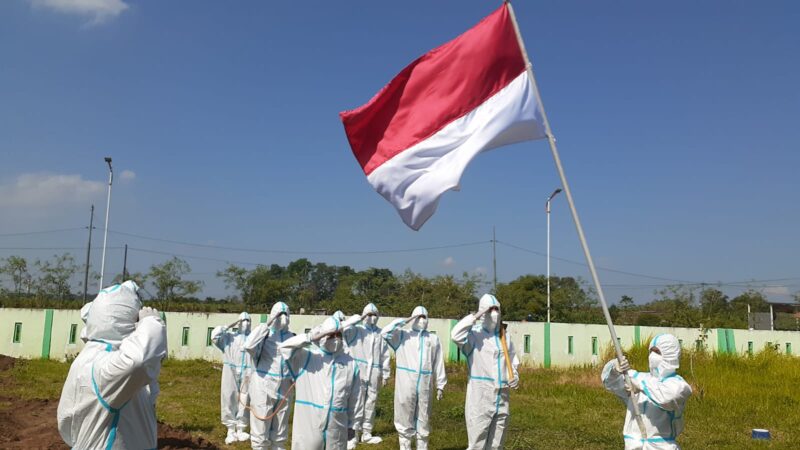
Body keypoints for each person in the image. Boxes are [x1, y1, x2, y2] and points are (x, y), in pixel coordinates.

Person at [57, 281, 167, 450]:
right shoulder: (103, 364)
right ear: (127, 320)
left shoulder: (94, 355)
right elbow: (140, 361)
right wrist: (151, 323)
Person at [279, 314, 362, 449]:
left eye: (338, 335)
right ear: (322, 336)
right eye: (330, 335)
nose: (335, 339)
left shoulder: (350, 363)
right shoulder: (307, 357)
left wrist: (354, 424)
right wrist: (310, 337)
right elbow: (284, 348)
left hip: (337, 427)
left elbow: (356, 397)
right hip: (309, 425)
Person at [451, 294, 520, 450]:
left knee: (497, 443)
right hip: (480, 396)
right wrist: (476, 316)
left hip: (502, 396)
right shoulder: (474, 336)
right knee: (477, 443)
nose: (494, 313)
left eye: (497, 309)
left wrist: (515, 375)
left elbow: (513, 360)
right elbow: (455, 335)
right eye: (490, 310)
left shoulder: (505, 336)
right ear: (483, 311)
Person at [601, 333, 692, 450]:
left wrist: (636, 382)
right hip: (634, 446)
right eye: (651, 351)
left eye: (658, 352)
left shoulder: (678, 385)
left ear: (670, 355)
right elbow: (610, 382)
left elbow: (666, 398)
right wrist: (615, 368)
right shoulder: (640, 378)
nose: (653, 356)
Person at [381, 306, 447, 450]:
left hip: (425, 384)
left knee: (424, 417)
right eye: (418, 317)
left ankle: (422, 447)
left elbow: (438, 362)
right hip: (405, 383)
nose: (422, 320)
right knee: (404, 415)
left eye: (424, 317)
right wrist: (404, 321)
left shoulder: (433, 338)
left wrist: (441, 384)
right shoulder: (403, 336)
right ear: (412, 318)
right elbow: (385, 333)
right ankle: (405, 447)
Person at [244, 302, 295, 450]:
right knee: (261, 427)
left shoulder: (291, 337)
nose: (283, 318)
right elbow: (248, 345)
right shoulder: (264, 336)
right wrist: (267, 324)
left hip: (285, 387)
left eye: (285, 314)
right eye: (280, 314)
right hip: (263, 385)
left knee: (280, 428)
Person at [342, 303, 391, 447]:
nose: (372, 318)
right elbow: (342, 330)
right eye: (369, 315)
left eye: (375, 315)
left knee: (371, 401)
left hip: (374, 373)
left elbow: (385, 354)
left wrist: (386, 373)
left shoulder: (380, 333)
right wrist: (358, 319)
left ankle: (367, 432)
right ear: (364, 315)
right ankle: (353, 433)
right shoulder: (356, 331)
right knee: (356, 402)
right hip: (359, 370)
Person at [211, 311, 254, 444]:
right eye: (242, 321)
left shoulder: (253, 338)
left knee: (245, 398)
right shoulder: (229, 338)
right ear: (238, 323)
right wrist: (229, 326)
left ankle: (241, 429)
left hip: (248, 372)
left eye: (248, 321)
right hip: (231, 370)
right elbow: (214, 336)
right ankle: (230, 429)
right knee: (228, 396)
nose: (245, 323)